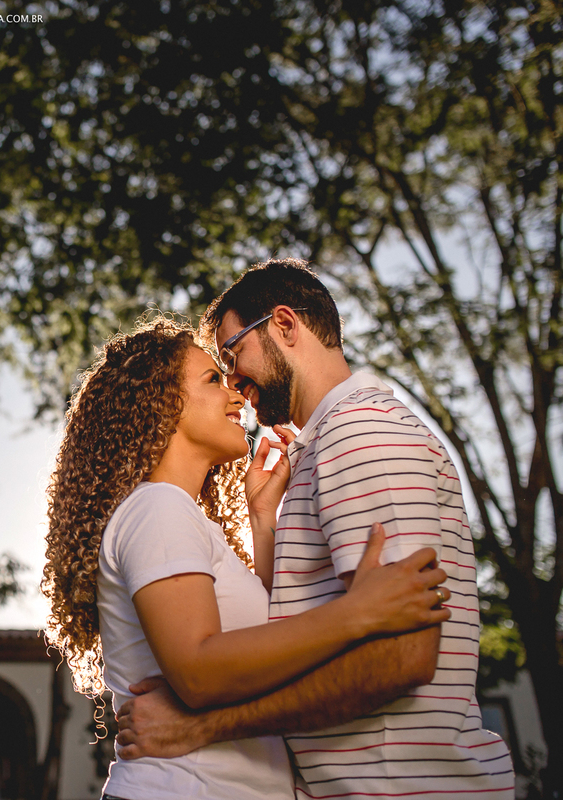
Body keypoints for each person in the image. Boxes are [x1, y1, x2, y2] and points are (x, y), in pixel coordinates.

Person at [114, 259, 514, 798]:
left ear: (284, 324)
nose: (235, 383)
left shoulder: (360, 432)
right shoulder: (322, 449)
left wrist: (204, 725)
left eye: (232, 355)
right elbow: (311, 630)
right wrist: (264, 524)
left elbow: (401, 655)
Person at [41, 312, 452, 800]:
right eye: (214, 379)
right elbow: (198, 670)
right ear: (161, 403)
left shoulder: (180, 516)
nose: (236, 394)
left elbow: (274, 641)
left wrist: (262, 518)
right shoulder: (157, 508)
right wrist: (358, 612)